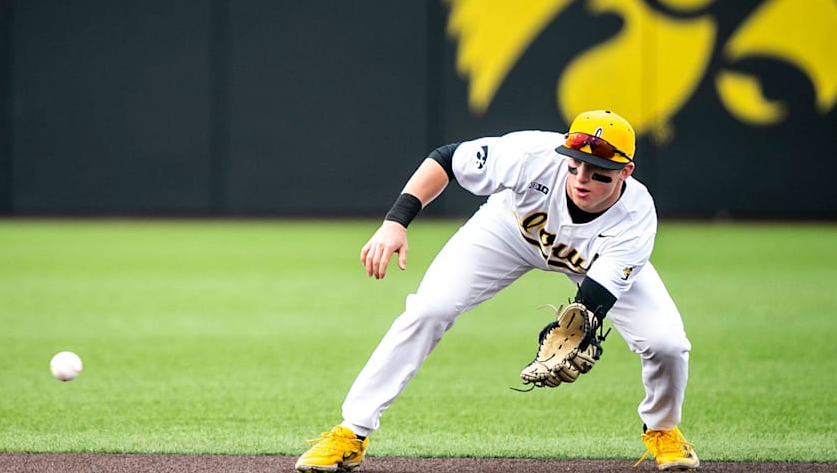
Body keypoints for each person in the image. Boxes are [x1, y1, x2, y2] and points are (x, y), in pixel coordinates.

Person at [295, 109, 699, 471]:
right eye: (576, 166)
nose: (581, 179)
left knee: (667, 343)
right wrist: (396, 221)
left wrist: (578, 326)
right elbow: (447, 159)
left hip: (591, 263)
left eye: (599, 174)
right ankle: (352, 432)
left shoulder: (636, 215)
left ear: (625, 172)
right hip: (509, 232)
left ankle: (662, 430)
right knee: (428, 310)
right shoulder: (531, 155)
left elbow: (595, 297)